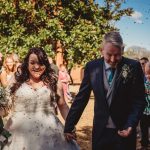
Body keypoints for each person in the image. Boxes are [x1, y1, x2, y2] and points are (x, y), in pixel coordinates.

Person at [64, 31, 146, 150]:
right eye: (109, 55)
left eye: (117, 54)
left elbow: (139, 100)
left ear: (122, 50)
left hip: (124, 131)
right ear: (101, 50)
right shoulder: (92, 67)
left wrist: (130, 124)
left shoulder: (133, 66)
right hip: (100, 132)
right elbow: (81, 98)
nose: (113, 59)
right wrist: (69, 125)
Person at [0, 47, 80, 150]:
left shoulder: (53, 81)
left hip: (50, 132)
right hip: (18, 131)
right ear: (26, 64)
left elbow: (63, 106)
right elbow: (6, 105)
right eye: (32, 63)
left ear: (46, 65)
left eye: (41, 63)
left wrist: (70, 127)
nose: (37, 66)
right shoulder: (16, 80)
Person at [140, 62, 150, 150]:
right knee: (143, 128)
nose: (148, 76)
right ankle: (144, 145)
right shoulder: (142, 80)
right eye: (147, 73)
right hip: (144, 110)